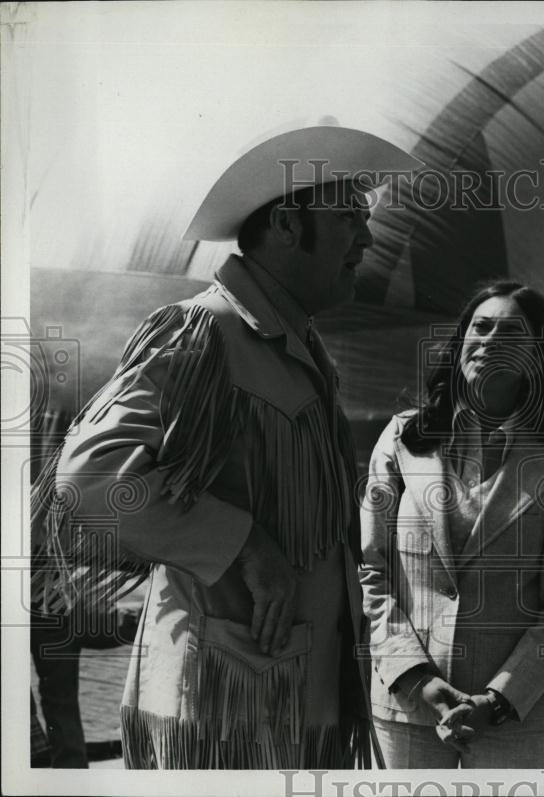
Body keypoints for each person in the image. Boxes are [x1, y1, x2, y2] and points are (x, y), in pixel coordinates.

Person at [32, 125, 420, 768]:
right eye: (349, 215)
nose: (367, 238)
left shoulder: (296, 347)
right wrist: (240, 544)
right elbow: (89, 480)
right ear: (289, 227)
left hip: (290, 705)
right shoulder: (205, 331)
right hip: (223, 716)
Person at [359, 281, 544, 768]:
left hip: (514, 719)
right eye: (480, 328)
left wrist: (496, 700)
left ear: (539, 356)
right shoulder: (403, 438)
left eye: (510, 333)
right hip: (408, 709)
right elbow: (371, 569)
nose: (488, 341)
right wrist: (420, 680)